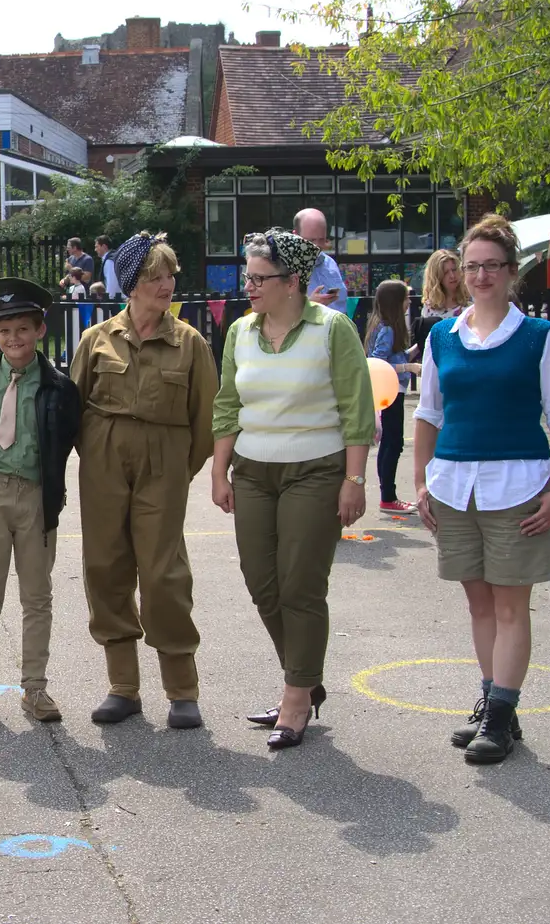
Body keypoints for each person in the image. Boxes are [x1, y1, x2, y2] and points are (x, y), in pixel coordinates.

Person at [414, 215, 550, 764]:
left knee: (512, 606)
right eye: (472, 266)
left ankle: (500, 716)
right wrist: (420, 481)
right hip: (455, 486)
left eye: (492, 266)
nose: (481, 275)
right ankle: (494, 704)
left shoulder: (540, 337)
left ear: (513, 273)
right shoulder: (443, 335)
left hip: (519, 485)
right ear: (460, 273)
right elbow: (429, 413)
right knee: (478, 603)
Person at [211, 228, 374, 751]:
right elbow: (228, 404)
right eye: (248, 277)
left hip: (317, 470)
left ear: (293, 282)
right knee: (262, 582)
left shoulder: (332, 329)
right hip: (254, 471)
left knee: (300, 585)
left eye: (260, 278)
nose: (250, 286)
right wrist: (220, 470)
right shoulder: (240, 332)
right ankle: (305, 677)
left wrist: (354, 479)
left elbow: (357, 410)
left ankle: (297, 696)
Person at [72, 235, 218, 729]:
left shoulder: (189, 342)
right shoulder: (96, 340)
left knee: (163, 574)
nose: (167, 285)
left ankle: (182, 690)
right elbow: (74, 409)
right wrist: (96, 456)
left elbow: (206, 420)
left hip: (165, 463)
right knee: (105, 567)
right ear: (132, 286)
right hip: (104, 462)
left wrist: (178, 469)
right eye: (155, 277)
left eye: (170, 275)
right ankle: (123, 687)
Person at [0, 278, 80, 726]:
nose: (14, 339)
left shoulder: (59, 387)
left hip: (36, 498)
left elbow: (65, 442)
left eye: (23, 329)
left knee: (37, 597)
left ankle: (35, 689)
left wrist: (48, 489)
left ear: (40, 330)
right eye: (5, 331)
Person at [366, 279, 422, 514]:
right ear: (395, 302)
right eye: (406, 298)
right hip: (391, 392)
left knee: (390, 443)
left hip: (390, 391)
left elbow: (394, 357)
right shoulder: (387, 328)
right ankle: (388, 497)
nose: (409, 303)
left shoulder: (382, 327)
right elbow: (379, 362)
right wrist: (408, 368)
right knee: (393, 443)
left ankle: (387, 495)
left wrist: (416, 349)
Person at [294, 207, 347, 314]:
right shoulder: (282, 268)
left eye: (322, 239)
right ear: (295, 236)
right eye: (311, 240)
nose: (317, 246)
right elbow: (275, 315)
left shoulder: (330, 264)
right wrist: (310, 305)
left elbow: (342, 305)